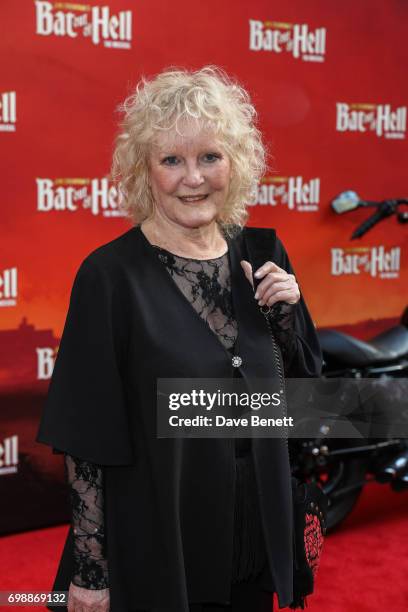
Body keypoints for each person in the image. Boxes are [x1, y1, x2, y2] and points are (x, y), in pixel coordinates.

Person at [36, 65, 323, 612]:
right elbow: (86, 441)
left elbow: (302, 407)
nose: (194, 177)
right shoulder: (109, 277)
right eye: (172, 160)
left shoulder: (264, 255)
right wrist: (92, 572)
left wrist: (287, 321)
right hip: (158, 542)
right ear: (144, 173)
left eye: (210, 156)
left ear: (234, 163)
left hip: (253, 539)